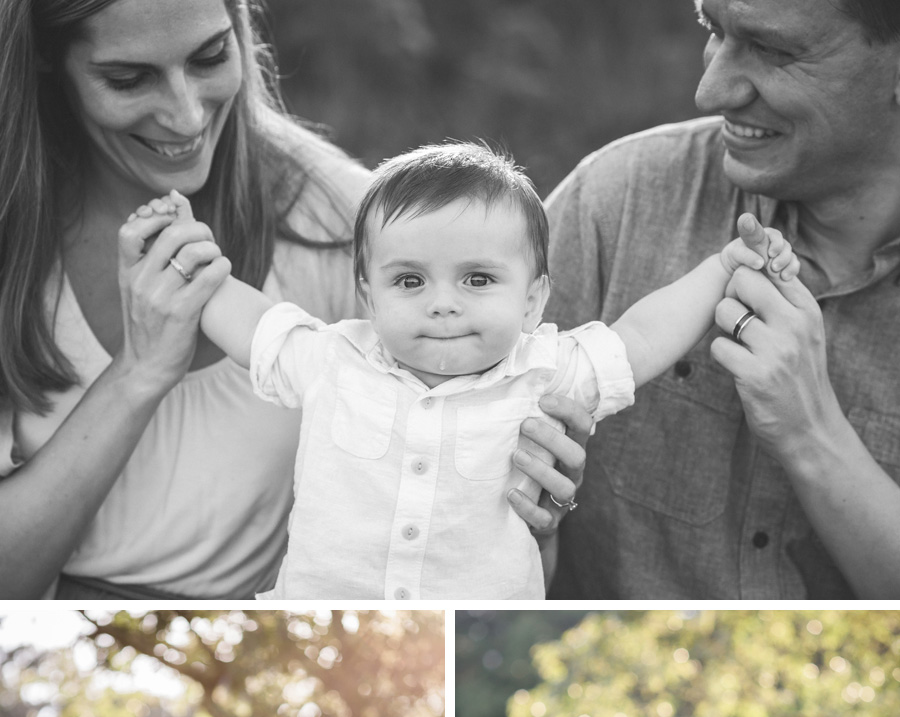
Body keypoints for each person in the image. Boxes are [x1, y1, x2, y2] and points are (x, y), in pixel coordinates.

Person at [0, 0, 586, 599]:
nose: (184, 115)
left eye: (210, 57)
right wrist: (139, 373)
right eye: (128, 79)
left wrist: (524, 507)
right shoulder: (13, 233)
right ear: (46, 58)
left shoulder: (350, 225)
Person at [124, 156, 796, 599]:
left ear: (533, 299)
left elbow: (642, 337)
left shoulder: (545, 370)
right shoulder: (333, 359)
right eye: (409, 280)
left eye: (478, 279)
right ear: (367, 296)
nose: (443, 302)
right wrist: (183, 243)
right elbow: (247, 317)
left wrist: (724, 268)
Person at [545, 0, 900, 598]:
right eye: (712, 29)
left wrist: (811, 432)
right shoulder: (614, 202)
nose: (709, 92)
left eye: (774, 50)